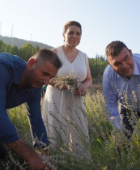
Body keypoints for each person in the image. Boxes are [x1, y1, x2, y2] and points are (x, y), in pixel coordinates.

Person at [42, 21, 92, 157]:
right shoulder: (54, 53)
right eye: (71, 33)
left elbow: (89, 79)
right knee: (55, 130)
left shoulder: (84, 56)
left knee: (77, 131)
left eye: (78, 33)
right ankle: (53, 161)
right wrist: (65, 85)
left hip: (76, 98)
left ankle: (77, 162)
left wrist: (84, 86)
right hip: (56, 97)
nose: (74, 36)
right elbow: (46, 77)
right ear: (63, 34)